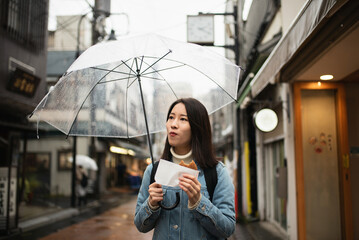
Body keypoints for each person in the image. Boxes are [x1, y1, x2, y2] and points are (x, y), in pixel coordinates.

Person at [134, 98, 235, 239]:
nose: (173, 125)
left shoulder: (216, 172)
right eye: (171, 117)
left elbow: (227, 228)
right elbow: (140, 226)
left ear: (198, 127)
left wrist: (199, 202)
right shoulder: (154, 170)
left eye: (183, 119)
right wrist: (151, 204)